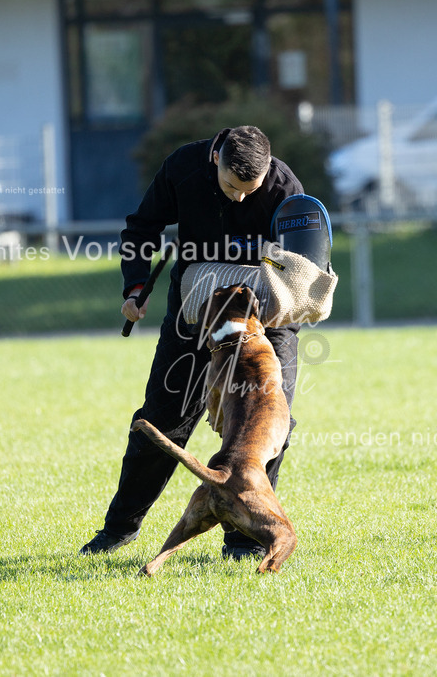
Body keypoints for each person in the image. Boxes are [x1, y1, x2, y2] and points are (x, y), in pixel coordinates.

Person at [80, 126, 304, 560]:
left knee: (270, 425)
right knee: (164, 419)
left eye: (249, 192)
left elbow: (307, 256)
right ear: (215, 158)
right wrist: (135, 287)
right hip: (200, 307)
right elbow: (143, 227)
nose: (240, 199)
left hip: (264, 314)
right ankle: (118, 530)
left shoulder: (284, 187)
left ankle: (243, 539)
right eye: (230, 188)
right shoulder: (183, 167)